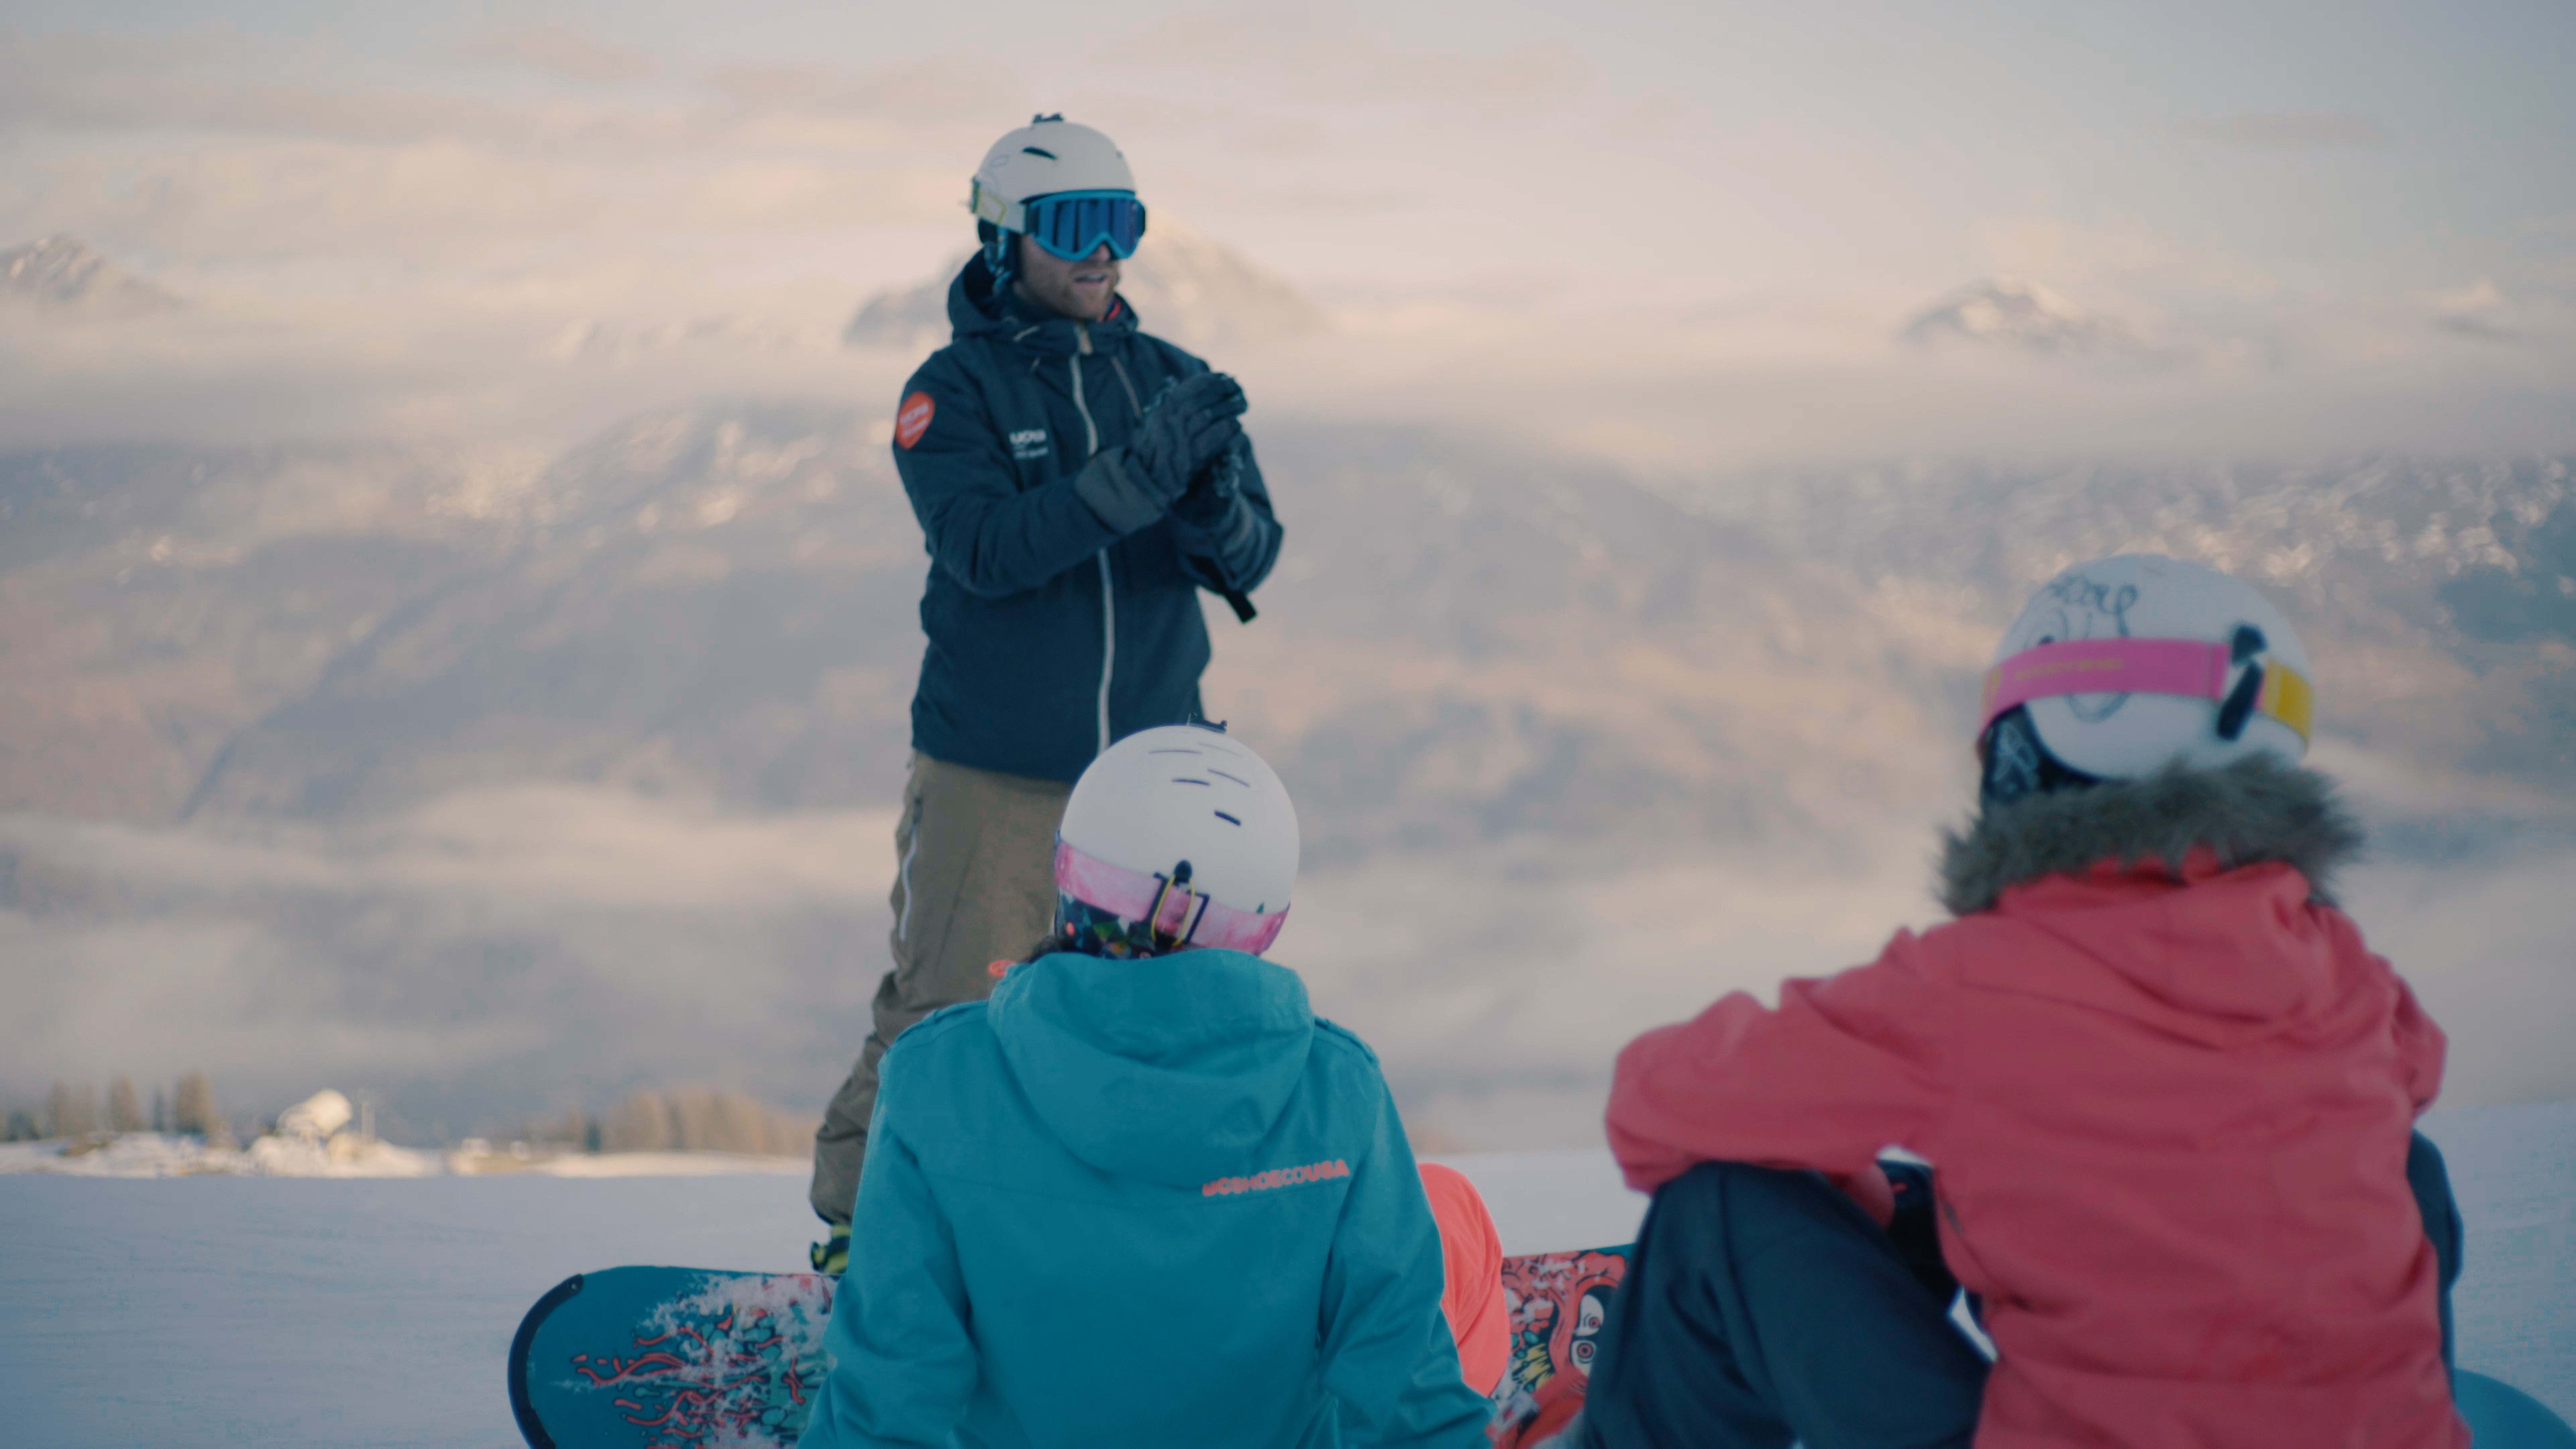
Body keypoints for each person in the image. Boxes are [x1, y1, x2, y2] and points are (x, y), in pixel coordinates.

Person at [1574, 554, 2468, 1448]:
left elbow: (1658, 1102)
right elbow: (2398, 1079)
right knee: (2395, 1157)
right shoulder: (2346, 978)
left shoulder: (1974, 986)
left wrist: (1828, 1165)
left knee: (1722, 1210)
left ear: (2021, 751)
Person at [808, 115, 1285, 1263]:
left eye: (1122, 224)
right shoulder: (951, 390)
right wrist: (1135, 476)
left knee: (1152, 1027)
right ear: (1005, 236)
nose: (1104, 251)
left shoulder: (1168, 381)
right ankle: (860, 1239)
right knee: (947, 1016)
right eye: (1077, 226)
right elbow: (988, 549)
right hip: (998, 770)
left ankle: (1121, 1239)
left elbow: (1253, 559)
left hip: (1152, 782)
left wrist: (1212, 505)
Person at [796, 724, 1493, 1448]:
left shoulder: (940, 1077)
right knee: (1447, 1211)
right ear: (1264, 928)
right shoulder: (1336, 1089)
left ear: (1068, 878)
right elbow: (1413, 1393)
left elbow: (889, 1404)